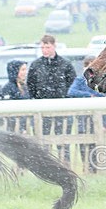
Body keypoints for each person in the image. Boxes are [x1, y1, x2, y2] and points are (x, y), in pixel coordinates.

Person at [27, 34, 76, 162]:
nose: (45, 50)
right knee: (43, 139)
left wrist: (63, 96)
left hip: (61, 108)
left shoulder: (65, 64)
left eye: (47, 47)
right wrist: (37, 99)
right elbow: (31, 85)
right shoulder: (36, 65)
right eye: (42, 47)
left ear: (54, 46)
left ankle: (65, 163)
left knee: (63, 139)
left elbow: (71, 83)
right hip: (42, 108)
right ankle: (46, 165)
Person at [67, 55, 106, 172]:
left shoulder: (103, 81)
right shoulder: (80, 80)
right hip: (84, 120)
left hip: (99, 120)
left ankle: (98, 170)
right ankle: (87, 169)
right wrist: (88, 96)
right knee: (84, 145)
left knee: (99, 147)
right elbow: (71, 91)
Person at [1, 59, 31, 133]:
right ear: (15, 71)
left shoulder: (25, 86)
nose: (25, 72)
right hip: (14, 124)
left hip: (25, 123)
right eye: (22, 70)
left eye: (25, 70)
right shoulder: (8, 87)